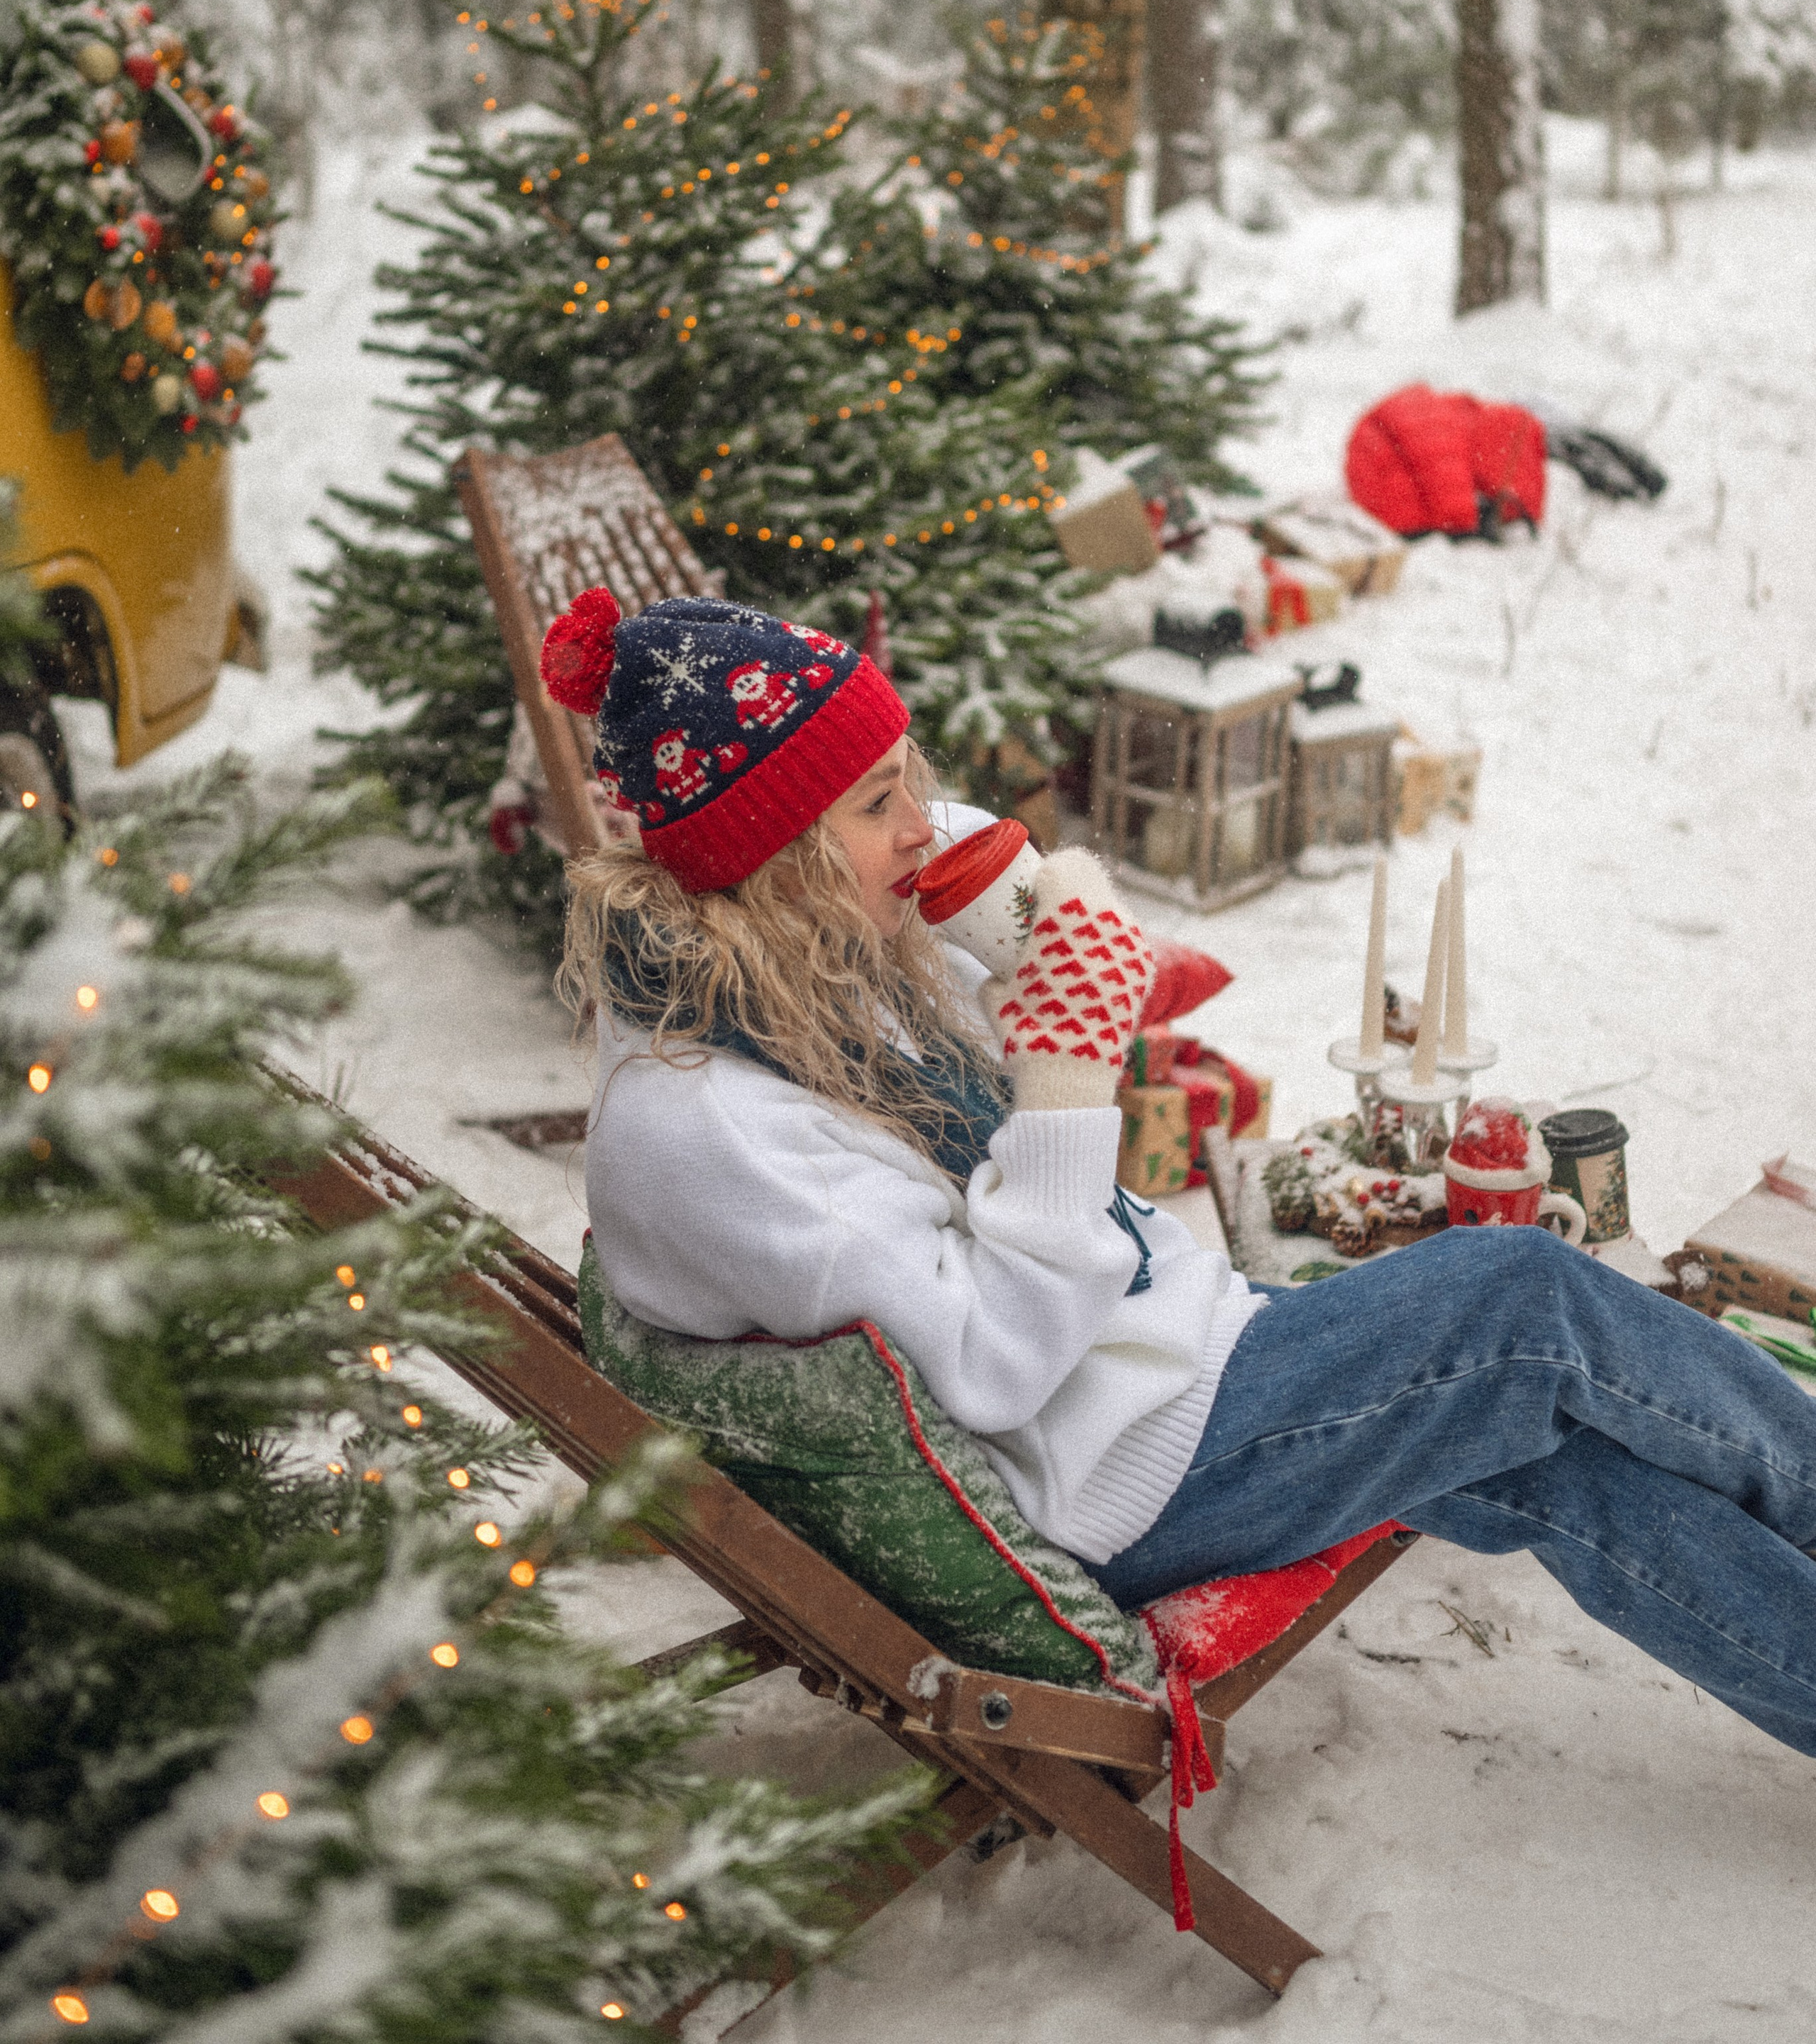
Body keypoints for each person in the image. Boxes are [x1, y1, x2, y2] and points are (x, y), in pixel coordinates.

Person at [550, 584, 1816, 1760]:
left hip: (1149, 1385)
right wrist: (1064, 1083)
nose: (918, 830)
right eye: (878, 805)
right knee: (1521, 1299)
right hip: (1115, 1479)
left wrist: (1022, 900)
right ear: (772, 844)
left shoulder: (768, 961)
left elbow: (950, 840)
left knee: (1547, 1453)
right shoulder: (713, 1132)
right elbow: (995, 1364)